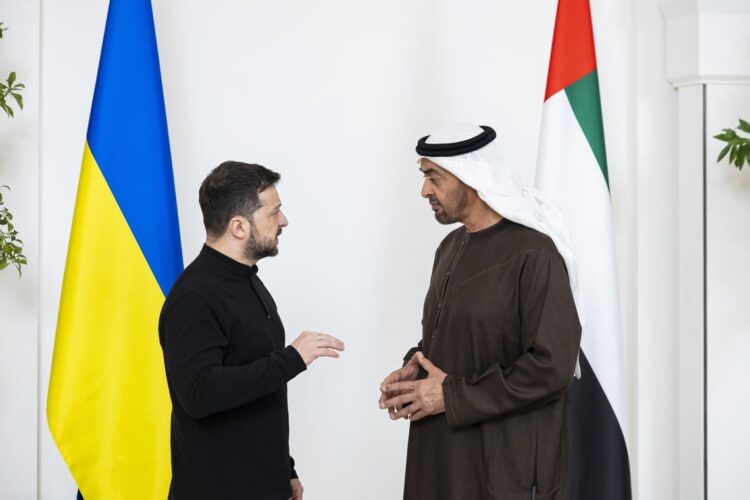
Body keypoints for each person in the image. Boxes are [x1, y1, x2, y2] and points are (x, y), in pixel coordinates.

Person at [379, 124, 582, 500]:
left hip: (504, 470)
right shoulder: (450, 247)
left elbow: (552, 366)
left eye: (433, 177)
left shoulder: (535, 254)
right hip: (441, 459)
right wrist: (415, 367)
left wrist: (451, 396)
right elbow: (460, 334)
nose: (425, 191)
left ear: (469, 179)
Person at [159, 161, 344, 500]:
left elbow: (258, 390)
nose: (284, 221)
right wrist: (292, 359)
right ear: (239, 227)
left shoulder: (249, 282)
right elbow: (198, 393)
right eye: (275, 213)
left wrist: (283, 469)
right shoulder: (195, 296)